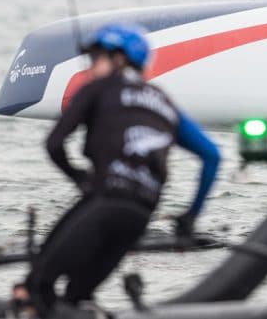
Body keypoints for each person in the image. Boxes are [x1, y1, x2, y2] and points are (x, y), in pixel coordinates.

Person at [18, 24, 221, 316]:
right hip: (139, 216)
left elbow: (53, 144)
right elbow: (212, 156)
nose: (90, 66)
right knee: (77, 296)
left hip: (103, 202)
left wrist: (78, 177)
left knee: (38, 286)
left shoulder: (95, 89)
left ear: (119, 59)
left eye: (96, 58)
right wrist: (190, 217)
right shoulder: (164, 102)